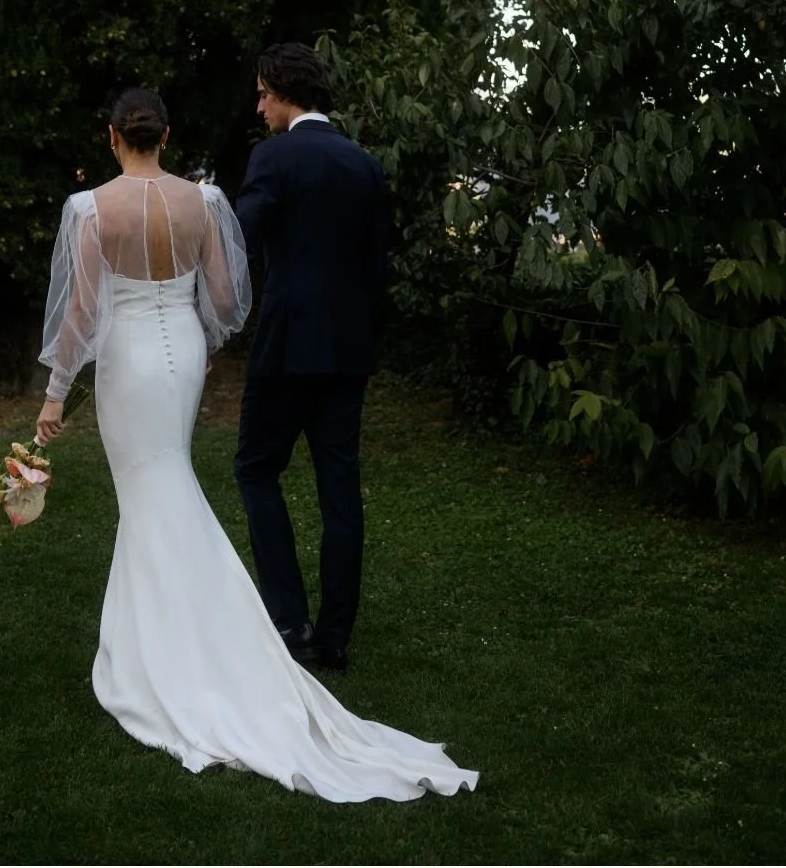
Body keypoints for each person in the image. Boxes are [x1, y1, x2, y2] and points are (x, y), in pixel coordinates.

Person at [35, 87, 477, 802]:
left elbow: (83, 310)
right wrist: (198, 341)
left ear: (112, 136)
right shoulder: (204, 202)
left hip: (128, 363)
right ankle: (164, 638)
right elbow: (224, 298)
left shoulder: (89, 210)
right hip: (179, 352)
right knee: (165, 483)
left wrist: (55, 397)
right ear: (166, 135)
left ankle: (171, 653)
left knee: (150, 494)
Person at [235, 43, 387, 671]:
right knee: (339, 490)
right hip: (349, 349)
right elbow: (378, 263)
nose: (260, 105)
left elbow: (238, 235)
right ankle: (334, 636)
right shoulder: (364, 164)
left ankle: (289, 618)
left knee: (254, 468)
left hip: (286, 346)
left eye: (263, 94)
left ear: (283, 89)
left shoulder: (272, 156)